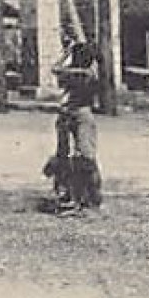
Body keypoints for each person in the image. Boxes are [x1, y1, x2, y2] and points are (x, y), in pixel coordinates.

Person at [48, 41, 103, 214]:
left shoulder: (86, 73)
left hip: (80, 114)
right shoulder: (80, 72)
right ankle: (70, 195)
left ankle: (86, 196)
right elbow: (56, 69)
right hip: (69, 113)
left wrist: (66, 53)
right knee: (65, 155)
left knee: (84, 156)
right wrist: (68, 53)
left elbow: (56, 69)